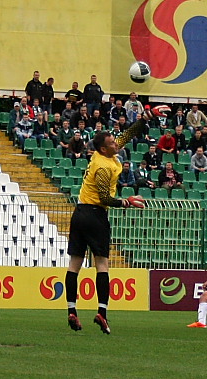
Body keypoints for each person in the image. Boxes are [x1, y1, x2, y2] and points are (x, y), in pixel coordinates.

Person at [65, 114, 150, 335]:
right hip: (95, 214)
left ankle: (71, 311)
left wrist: (145, 118)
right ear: (104, 149)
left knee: (74, 264)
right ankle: (102, 312)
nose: (116, 143)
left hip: (79, 212)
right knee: (102, 264)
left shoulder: (103, 154)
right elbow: (104, 197)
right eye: (112, 143)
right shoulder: (103, 166)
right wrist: (126, 202)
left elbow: (126, 136)